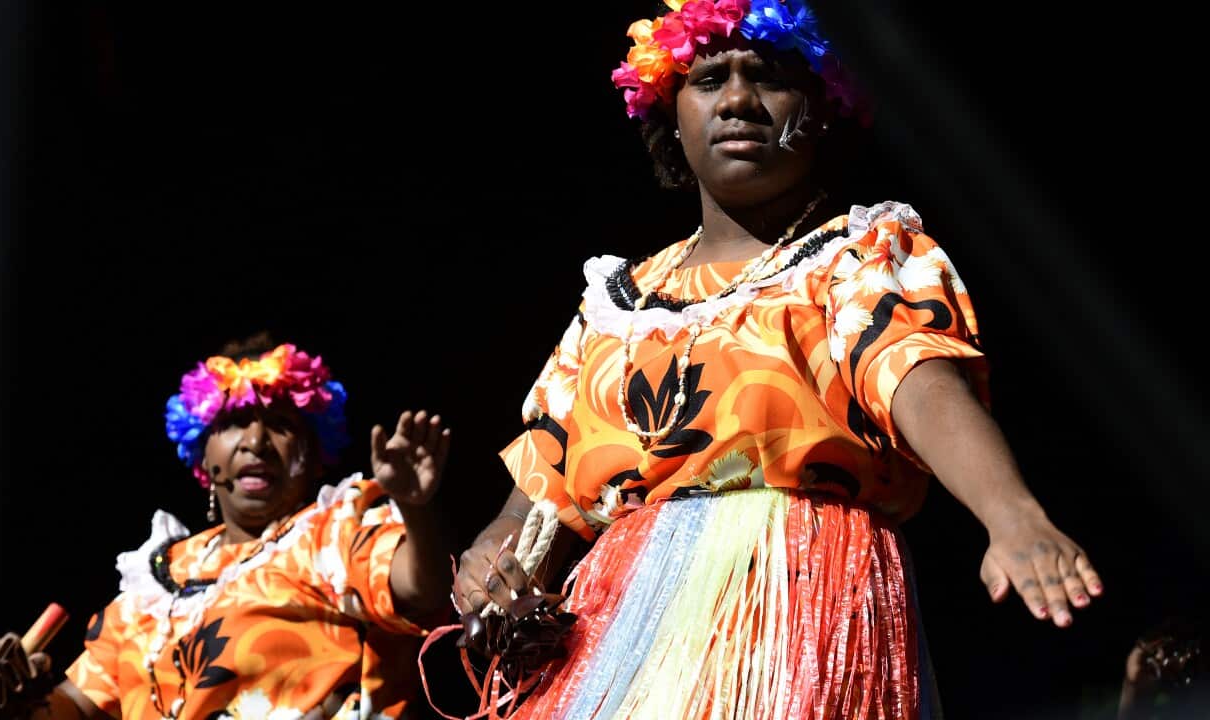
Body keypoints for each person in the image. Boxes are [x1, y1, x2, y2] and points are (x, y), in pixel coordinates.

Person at [447, 1, 1104, 717]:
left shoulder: (856, 258)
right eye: (708, 80)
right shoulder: (615, 301)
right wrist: (495, 561)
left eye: (767, 77)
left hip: (799, 593)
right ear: (670, 112)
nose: (737, 100)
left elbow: (920, 380)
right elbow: (542, 489)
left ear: (820, 107)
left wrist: (1012, 515)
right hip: (623, 621)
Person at [0, 339, 453, 719]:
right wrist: (12, 699)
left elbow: (420, 589)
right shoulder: (153, 579)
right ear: (204, 454)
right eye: (236, 423)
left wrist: (414, 509)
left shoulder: (332, 536)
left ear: (313, 451)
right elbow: (80, 706)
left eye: (282, 424)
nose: (257, 442)